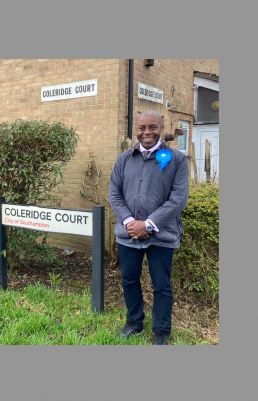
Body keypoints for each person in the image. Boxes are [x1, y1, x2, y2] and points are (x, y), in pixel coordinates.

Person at [109, 110, 189, 345]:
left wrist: (149, 224)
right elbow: (114, 193)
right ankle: (134, 322)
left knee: (161, 285)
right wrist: (129, 223)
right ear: (136, 130)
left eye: (152, 127)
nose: (147, 132)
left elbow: (178, 199)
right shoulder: (124, 158)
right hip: (128, 235)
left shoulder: (176, 159)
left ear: (161, 128)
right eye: (142, 127)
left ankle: (161, 331)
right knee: (129, 281)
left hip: (161, 235)